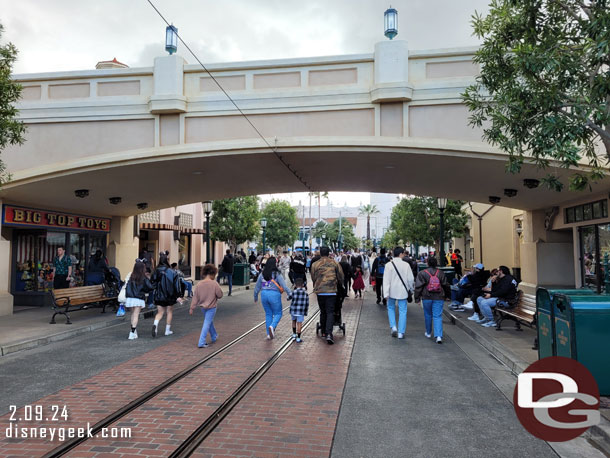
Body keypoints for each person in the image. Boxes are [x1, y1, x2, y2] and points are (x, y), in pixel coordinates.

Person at [310, 246, 344, 345]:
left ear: (320, 253)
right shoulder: (334, 263)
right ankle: (329, 333)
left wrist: (317, 284)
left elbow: (313, 277)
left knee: (323, 311)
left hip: (320, 291)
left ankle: (323, 331)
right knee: (330, 312)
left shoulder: (315, 264)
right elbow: (341, 276)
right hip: (332, 291)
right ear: (329, 253)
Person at [414, 256, 450, 344]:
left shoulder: (422, 273)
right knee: (437, 316)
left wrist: (417, 298)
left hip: (426, 297)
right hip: (439, 297)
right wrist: (448, 296)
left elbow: (418, 287)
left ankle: (428, 332)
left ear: (427, 263)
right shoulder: (441, 273)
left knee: (428, 315)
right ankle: (438, 336)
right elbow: (446, 285)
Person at [253, 257, 291, 339]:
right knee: (278, 313)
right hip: (274, 294)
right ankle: (272, 326)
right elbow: (284, 286)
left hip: (264, 295)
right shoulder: (276, 274)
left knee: (268, 314)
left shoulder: (262, 274)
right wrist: (289, 293)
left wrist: (255, 296)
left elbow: (257, 287)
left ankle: (268, 334)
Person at [383, 247, 415, 339]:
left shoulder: (388, 265)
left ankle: (393, 326)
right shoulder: (406, 265)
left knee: (391, 308)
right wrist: (411, 289)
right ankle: (401, 332)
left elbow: (386, 280)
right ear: (401, 254)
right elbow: (410, 279)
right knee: (403, 311)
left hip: (391, 291)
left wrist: (386, 293)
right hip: (403, 291)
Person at [190, 264, 223, 348]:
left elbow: (195, 297)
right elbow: (220, 295)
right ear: (213, 273)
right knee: (207, 323)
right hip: (212, 307)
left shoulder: (199, 284)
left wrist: (192, 307)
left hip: (203, 307)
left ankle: (214, 335)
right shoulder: (214, 283)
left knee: (209, 321)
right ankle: (201, 341)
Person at [151, 253, 183, 338]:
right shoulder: (172, 272)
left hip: (159, 295)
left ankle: (155, 324)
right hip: (170, 295)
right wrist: (178, 296)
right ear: (167, 261)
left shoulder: (156, 271)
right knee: (169, 312)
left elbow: (152, 283)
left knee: (160, 312)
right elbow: (176, 285)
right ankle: (167, 330)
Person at [125, 260, 154, 340]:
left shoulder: (131, 276)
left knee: (133, 314)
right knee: (136, 315)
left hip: (130, 298)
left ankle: (133, 331)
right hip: (138, 298)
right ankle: (132, 332)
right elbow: (150, 287)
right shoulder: (143, 277)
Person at [288, 276, 309, 343]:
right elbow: (307, 303)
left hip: (293, 310)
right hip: (301, 311)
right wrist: (305, 311)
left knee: (293, 321)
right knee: (299, 323)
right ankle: (298, 338)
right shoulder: (305, 293)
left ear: (295, 284)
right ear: (303, 284)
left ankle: (294, 334)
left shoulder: (294, 291)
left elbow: (288, 298)